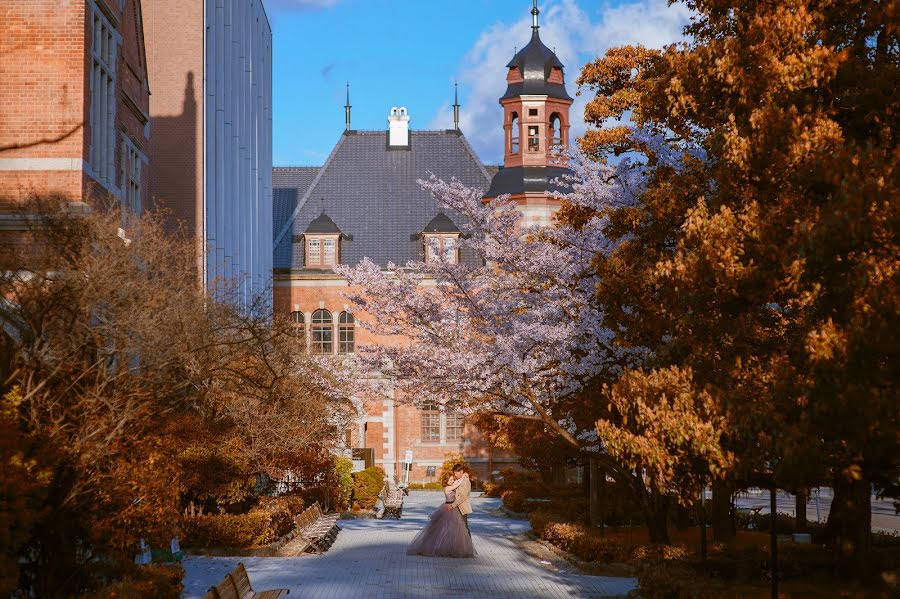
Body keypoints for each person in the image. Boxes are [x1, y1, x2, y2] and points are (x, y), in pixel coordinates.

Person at [406, 466, 476, 558]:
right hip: (450, 507)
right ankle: (450, 548)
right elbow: (457, 485)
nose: (453, 478)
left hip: (453, 507)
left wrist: (463, 476)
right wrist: (463, 477)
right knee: (447, 530)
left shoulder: (457, 484)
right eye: (451, 478)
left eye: (454, 475)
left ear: (461, 471)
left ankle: (458, 548)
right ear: (446, 481)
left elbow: (461, 491)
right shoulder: (448, 488)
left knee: (455, 530)